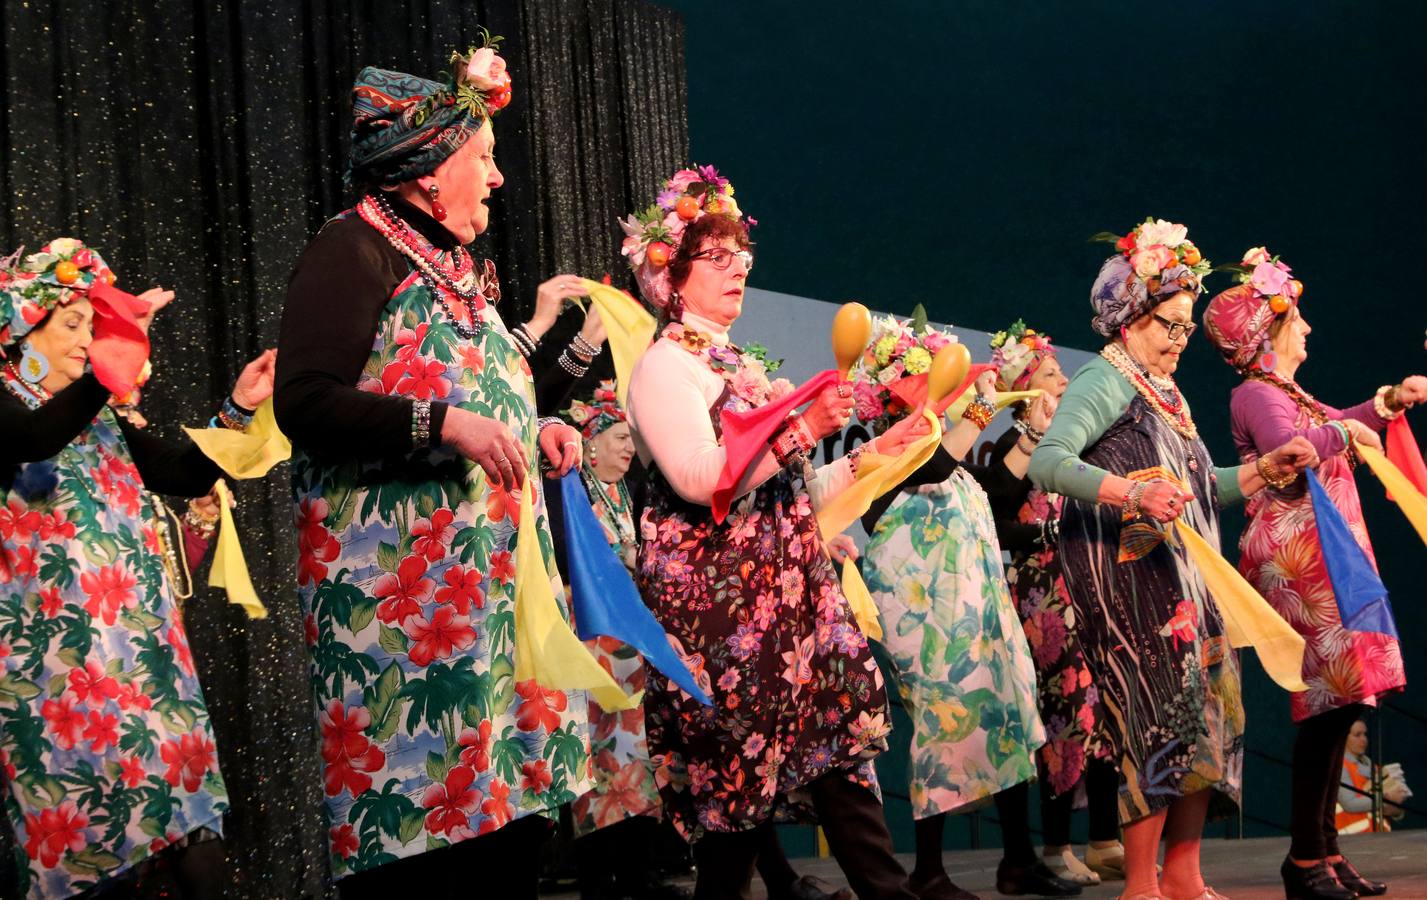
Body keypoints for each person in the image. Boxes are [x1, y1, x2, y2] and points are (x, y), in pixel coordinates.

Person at [274, 41, 589, 898]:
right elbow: (303, 402)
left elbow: (479, 386)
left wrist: (539, 423)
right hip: (401, 627)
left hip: (483, 605)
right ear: (422, 172)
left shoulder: (456, 270)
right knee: (426, 847)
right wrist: (443, 422)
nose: (495, 180)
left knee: (504, 826)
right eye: (481, 160)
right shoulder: (352, 250)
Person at [624, 165, 930, 900]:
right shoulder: (666, 366)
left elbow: (791, 491)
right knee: (737, 800)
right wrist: (796, 434)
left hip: (792, 603)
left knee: (836, 766)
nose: (739, 272)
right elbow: (701, 478)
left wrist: (864, 455)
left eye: (743, 259)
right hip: (725, 612)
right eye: (718, 260)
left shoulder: (733, 361)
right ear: (671, 275)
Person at [1028, 218, 1318, 900]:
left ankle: (1184, 874)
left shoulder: (1167, 390)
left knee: (1212, 717)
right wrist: (1130, 490)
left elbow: (1195, 488)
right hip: (1130, 584)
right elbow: (1048, 462)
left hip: (1188, 580)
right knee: (1155, 717)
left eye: (1187, 327)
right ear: (1129, 317)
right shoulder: (1105, 378)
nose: (1178, 339)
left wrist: (1262, 471)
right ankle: (1140, 884)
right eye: (1168, 324)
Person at [0, 238, 273, 898]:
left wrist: (237, 407)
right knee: (97, 857)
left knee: (192, 840)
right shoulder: (8, 405)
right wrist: (108, 370)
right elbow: (30, 439)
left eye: (95, 329)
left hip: (143, 665)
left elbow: (182, 473)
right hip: (59, 683)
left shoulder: (103, 421)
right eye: (72, 325)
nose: (87, 340)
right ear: (19, 331)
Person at [1202, 251, 1425, 899]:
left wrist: (1386, 402)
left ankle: (1323, 852)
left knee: (1347, 697)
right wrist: (1349, 431)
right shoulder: (1255, 394)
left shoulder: (1287, 393)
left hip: (1329, 553)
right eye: (1294, 320)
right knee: (1326, 706)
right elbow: (1293, 454)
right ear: (1263, 336)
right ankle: (1303, 860)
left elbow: (1332, 426)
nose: (1305, 330)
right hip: (1302, 557)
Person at [855, 316, 1076, 900]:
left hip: (979, 621)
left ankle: (1017, 861)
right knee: (942, 730)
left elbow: (999, 492)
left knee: (1006, 720)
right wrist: (979, 411)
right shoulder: (885, 461)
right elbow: (929, 466)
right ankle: (928, 872)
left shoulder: (947, 467)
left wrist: (1029, 436)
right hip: (932, 631)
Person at [981, 323, 1123, 887]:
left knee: (1106, 709)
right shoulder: (1008, 450)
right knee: (1065, 713)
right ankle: (1058, 844)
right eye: (1049, 375)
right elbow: (997, 513)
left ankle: (1105, 837)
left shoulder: (1082, 438)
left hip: (1090, 592)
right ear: (1024, 390)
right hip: (1044, 602)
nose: (1064, 380)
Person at [1337, 719, 1409, 834]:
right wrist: (1384, 801)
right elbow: (1349, 804)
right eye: (1357, 735)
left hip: (1380, 841)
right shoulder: (1339, 765)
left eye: (1365, 734)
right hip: (1350, 842)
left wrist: (1396, 810)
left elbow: (1396, 810)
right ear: (1343, 738)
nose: (1363, 739)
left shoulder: (1376, 769)